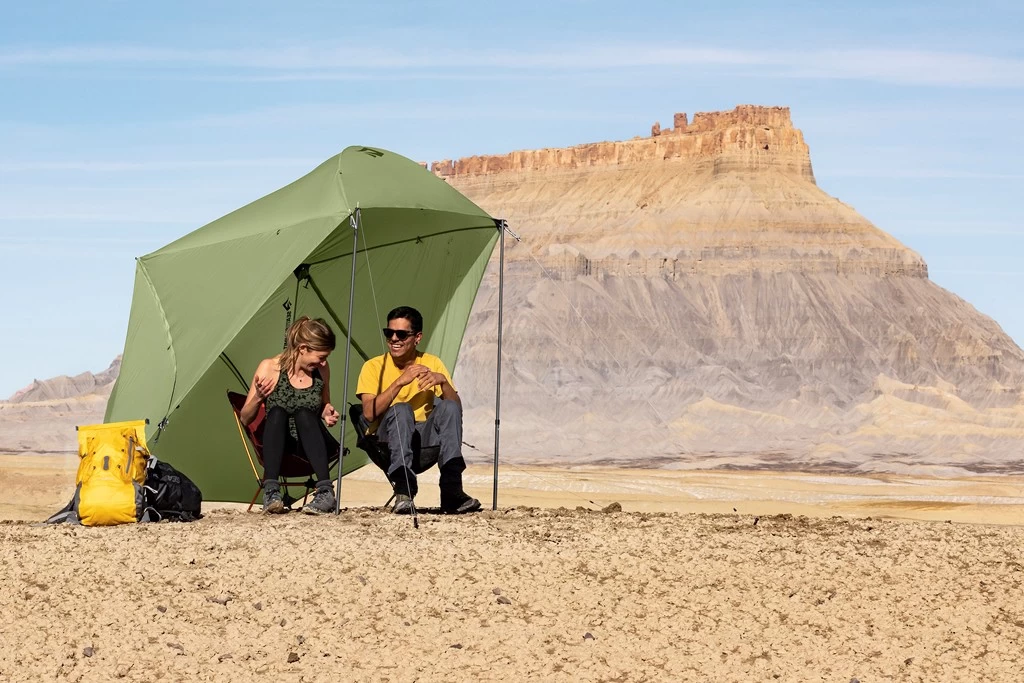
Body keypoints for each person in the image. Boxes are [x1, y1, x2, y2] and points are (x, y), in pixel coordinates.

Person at [356, 306, 481, 514]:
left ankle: (451, 490)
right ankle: (404, 491)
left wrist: (443, 382)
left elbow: (456, 412)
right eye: (389, 333)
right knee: (402, 410)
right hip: (386, 441)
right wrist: (399, 382)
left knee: (449, 406)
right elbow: (369, 413)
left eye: (401, 334)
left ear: (417, 337)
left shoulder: (432, 363)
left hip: (423, 440)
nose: (394, 339)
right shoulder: (373, 366)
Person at [239, 316, 341, 515]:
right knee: (277, 412)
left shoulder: (321, 370)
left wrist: (326, 412)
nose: (323, 362)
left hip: (310, 446)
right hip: (279, 445)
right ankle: (271, 492)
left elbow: (323, 403)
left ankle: (325, 492)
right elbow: (245, 418)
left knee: (304, 414)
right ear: (303, 348)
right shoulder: (270, 368)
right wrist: (258, 397)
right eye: (321, 356)